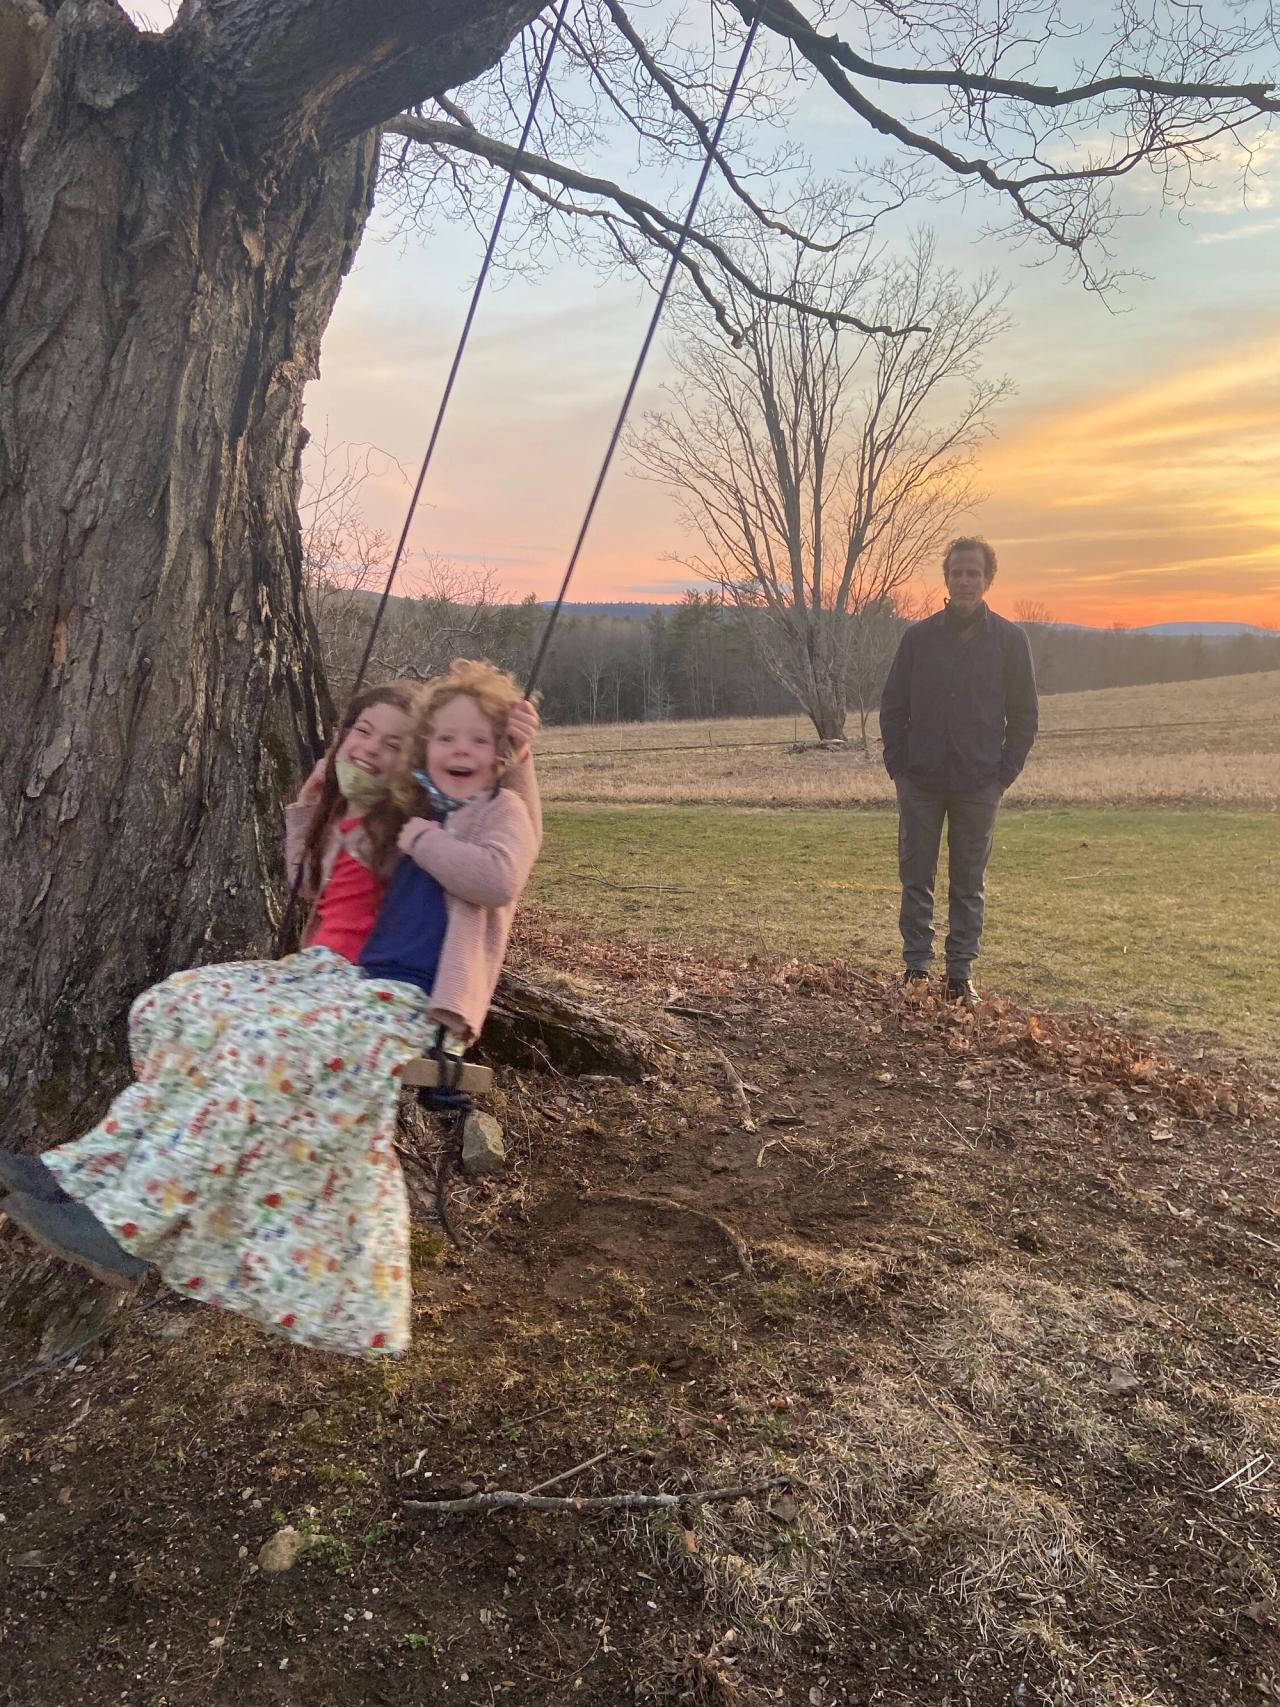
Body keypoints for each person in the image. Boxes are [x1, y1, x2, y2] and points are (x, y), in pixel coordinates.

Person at [0, 663, 541, 1357]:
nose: (459, 748)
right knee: (178, 1006)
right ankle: (79, 1172)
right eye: (445, 737)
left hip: (416, 1007)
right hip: (354, 984)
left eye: (477, 739)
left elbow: (502, 871)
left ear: (499, 751)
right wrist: (319, 799)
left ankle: (125, 1231)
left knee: (258, 1047)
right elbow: (330, 872)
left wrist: (518, 763)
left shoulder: (493, 812)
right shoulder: (419, 804)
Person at [878, 537, 1038, 1008]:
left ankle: (960, 974)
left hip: (978, 783)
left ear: (988, 580)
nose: (965, 581)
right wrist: (898, 767)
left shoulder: (1011, 641)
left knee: (969, 882)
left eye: (974, 573)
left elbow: (1025, 715)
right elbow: (893, 706)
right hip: (920, 781)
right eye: (957, 573)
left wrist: (1002, 775)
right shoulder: (918, 638)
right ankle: (916, 969)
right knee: (916, 876)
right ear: (945, 578)